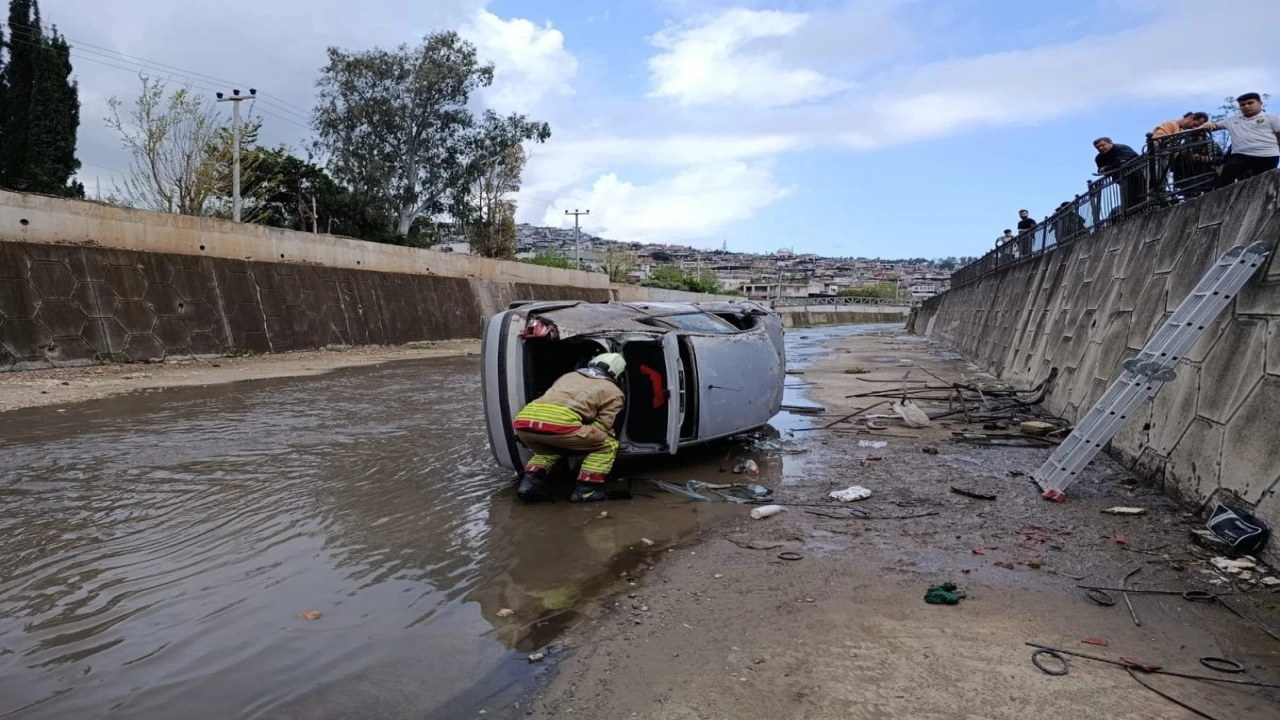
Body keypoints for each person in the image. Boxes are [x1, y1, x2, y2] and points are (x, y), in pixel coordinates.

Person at [513, 353, 626, 503]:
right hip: (559, 425)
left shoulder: (568, 376)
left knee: (548, 448)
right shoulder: (614, 391)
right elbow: (603, 426)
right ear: (616, 373)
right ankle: (586, 491)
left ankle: (528, 485)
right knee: (608, 445)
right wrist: (585, 437)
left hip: (523, 422)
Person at [1198, 93, 1280, 188]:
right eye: (1242, 104)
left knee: (1264, 184)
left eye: (1250, 103)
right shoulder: (1232, 120)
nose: (1246, 106)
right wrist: (1207, 124)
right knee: (1223, 181)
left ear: (1260, 103)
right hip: (1241, 154)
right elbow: (1214, 126)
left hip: (1267, 155)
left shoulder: (1271, 117)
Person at [1093, 137, 1143, 218]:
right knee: (1129, 199)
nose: (1100, 148)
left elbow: (1124, 161)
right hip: (1120, 179)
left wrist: (1107, 168)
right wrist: (1105, 169)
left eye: (1102, 145)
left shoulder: (1122, 149)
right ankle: (1132, 213)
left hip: (1137, 174)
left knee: (1140, 195)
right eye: (1097, 147)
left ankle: (1140, 211)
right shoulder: (1099, 158)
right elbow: (1100, 170)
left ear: (1110, 143)